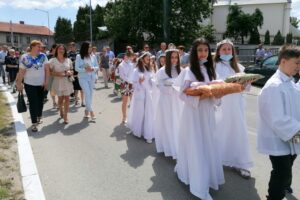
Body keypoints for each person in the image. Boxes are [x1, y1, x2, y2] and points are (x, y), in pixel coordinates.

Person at [174, 38, 224, 200]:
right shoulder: (188, 71)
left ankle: (203, 177)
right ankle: (199, 187)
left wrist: (218, 95)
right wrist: (200, 98)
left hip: (207, 114)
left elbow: (216, 95)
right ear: (194, 53)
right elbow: (181, 93)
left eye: (205, 50)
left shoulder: (211, 71)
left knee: (207, 144)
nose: (203, 53)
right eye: (199, 50)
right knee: (196, 146)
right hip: (193, 115)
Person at [257, 45, 300, 200]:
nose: (298, 67)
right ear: (283, 61)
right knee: (281, 173)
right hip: (279, 139)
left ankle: (281, 191)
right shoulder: (274, 86)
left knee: (286, 170)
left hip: (291, 138)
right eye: (296, 63)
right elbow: (277, 119)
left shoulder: (289, 81)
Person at [214, 39, 253, 179]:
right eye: (223, 49)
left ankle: (240, 163)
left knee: (238, 131)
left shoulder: (240, 68)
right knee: (219, 131)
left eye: (229, 49)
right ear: (218, 52)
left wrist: (247, 82)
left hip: (236, 104)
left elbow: (246, 89)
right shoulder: (213, 67)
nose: (226, 51)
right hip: (221, 103)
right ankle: (217, 158)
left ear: (232, 51)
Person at [154, 49, 182, 159]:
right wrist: (170, 86)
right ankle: (169, 147)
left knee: (178, 123)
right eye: (172, 57)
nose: (174, 60)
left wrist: (174, 84)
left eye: (176, 57)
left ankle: (179, 146)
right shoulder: (162, 71)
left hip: (178, 101)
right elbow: (159, 85)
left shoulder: (182, 70)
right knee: (168, 123)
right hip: (167, 100)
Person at [16, 40, 50, 132]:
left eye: (41, 47)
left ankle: (39, 116)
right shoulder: (25, 57)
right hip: (29, 84)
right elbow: (21, 72)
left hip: (41, 84)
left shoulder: (43, 56)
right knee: (33, 103)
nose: (40, 49)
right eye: (39, 47)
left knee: (40, 102)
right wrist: (19, 84)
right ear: (33, 47)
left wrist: (46, 81)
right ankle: (34, 123)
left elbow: (47, 70)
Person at [127, 52, 155, 143]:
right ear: (142, 59)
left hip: (148, 94)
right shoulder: (137, 70)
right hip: (140, 94)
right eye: (147, 58)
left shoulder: (149, 69)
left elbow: (152, 80)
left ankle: (148, 133)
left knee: (148, 113)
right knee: (140, 113)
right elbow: (133, 83)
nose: (148, 60)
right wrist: (139, 81)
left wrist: (153, 82)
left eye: (149, 59)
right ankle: (138, 130)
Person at [49, 44, 74, 124]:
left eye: (63, 49)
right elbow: (50, 72)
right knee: (60, 99)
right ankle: (61, 110)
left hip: (67, 82)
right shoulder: (52, 60)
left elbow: (72, 70)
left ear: (65, 50)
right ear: (57, 50)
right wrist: (58, 74)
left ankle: (66, 116)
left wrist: (70, 72)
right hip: (58, 82)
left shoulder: (68, 60)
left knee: (67, 98)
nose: (61, 50)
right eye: (59, 48)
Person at [75, 41, 99, 120]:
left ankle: (86, 110)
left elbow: (97, 66)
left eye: (91, 47)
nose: (91, 48)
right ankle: (91, 112)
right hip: (83, 78)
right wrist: (85, 69)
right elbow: (76, 68)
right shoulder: (79, 56)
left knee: (90, 94)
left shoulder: (93, 56)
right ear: (85, 48)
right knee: (87, 93)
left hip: (92, 77)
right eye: (89, 47)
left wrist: (93, 68)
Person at [118, 51, 134, 123]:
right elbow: (122, 76)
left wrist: (133, 81)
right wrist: (130, 81)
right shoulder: (121, 65)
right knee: (125, 101)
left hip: (131, 84)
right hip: (124, 84)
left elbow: (133, 73)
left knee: (133, 100)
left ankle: (133, 117)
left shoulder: (131, 64)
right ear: (125, 56)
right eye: (129, 57)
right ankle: (124, 117)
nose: (130, 58)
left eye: (131, 57)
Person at [68, 42, 84, 107]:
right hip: (73, 72)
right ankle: (76, 101)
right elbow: (67, 63)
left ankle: (83, 102)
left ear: (75, 47)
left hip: (80, 71)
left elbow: (82, 61)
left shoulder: (79, 53)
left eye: (72, 47)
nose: (70, 48)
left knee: (82, 87)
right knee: (76, 88)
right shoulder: (68, 54)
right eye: (70, 47)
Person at [46, 44, 58, 108]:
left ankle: (59, 101)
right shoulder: (48, 56)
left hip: (59, 75)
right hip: (51, 75)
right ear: (53, 49)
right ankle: (54, 102)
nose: (57, 50)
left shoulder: (60, 56)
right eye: (55, 48)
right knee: (52, 89)